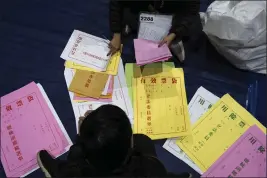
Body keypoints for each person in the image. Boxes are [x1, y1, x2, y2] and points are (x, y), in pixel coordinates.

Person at [37, 105, 192, 177]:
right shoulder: (151, 168)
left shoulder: (77, 165)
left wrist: (84, 133)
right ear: (130, 144)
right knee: (144, 140)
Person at [108, 0, 201, 56]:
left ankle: (175, 37)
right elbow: (116, 3)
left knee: (194, 29)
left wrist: (174, 34)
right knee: (127, 15)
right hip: (143, 8)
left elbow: (192, 10)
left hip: (171, 10)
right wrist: (116, 34)